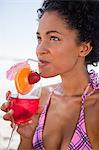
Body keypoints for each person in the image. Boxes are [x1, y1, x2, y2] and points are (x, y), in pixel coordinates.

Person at [1, 0, 99, 149]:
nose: (40, 49)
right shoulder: (40, 98)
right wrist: (26, 137)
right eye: (39, 38)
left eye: (54, 38)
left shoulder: (95, 108)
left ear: (84, 48)